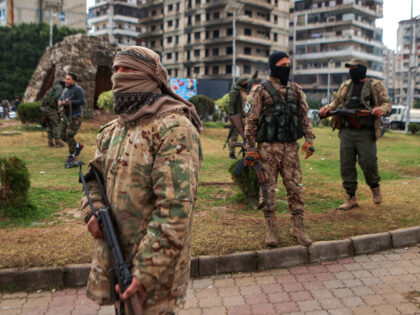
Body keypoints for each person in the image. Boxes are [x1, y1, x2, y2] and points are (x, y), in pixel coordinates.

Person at [80, 46, 202, 314]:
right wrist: (92, 210)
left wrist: (144, 272)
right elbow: (92, 179)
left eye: (128, 70)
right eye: (116, 70)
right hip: (117, 258)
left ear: (150, 76)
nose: (118, 77)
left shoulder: (174, 129)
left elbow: (175, 210)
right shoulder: (113, 130)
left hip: (155, 275)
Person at [244, 51, 315, 247]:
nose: (287, 68)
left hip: (291, 149)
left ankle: (298, 227)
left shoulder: (296, 90)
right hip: (267, 149)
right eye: (283, 65)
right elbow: (251, 121)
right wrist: (250, 149)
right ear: (273, 66)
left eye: (289, 65)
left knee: (295, 187)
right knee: (268, 189)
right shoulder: (260, 91)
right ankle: (271, 229)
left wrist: (309, 140)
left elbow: (304, 117)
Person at [319, 58, 392, 210]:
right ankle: (351, 197)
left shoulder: (375, 85)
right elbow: (336, 102)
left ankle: (375, 188)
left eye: (354, 68)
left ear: (362, 69)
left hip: (365, 131)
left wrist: (381, 110)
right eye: (350, 68)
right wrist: (326, 108)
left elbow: (387, 103)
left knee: (368, 162)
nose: (351, 70)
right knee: (346, 165)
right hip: (346, 131)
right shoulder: (346, 85)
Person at [58, 73, 86, 168]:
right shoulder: (65, 90)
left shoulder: (78, 89)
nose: (66, 81)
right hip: (66, 117)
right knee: (62, 135)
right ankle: (77, 146)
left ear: (74, 81)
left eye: (68, 79)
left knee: (69, 135)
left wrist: (71, 102)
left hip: (76, 116)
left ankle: (72, 155)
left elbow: (82, 101)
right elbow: (60, 99)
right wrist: (60, 102)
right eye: (66, 79)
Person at [227, 73, 256, 159]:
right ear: (241, 84)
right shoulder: (235, 92)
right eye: (245, 82)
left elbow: (249, 82)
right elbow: (230, 104)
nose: (247, 84)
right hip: (237, 117)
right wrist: (232, 116)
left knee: (248, 135)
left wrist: (253, 77)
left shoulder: (246, 91)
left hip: (246, 117)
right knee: (234, 136)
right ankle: (231, 153)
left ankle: (248, 152)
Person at [40, 81, 65, 147]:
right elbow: (57, 96)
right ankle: (57, 142)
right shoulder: (59, 87)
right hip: (50, 108)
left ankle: (50, 142)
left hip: (44, 108)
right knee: (56, 124)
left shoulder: (53, 88)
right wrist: (61, 102)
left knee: (49, 125)